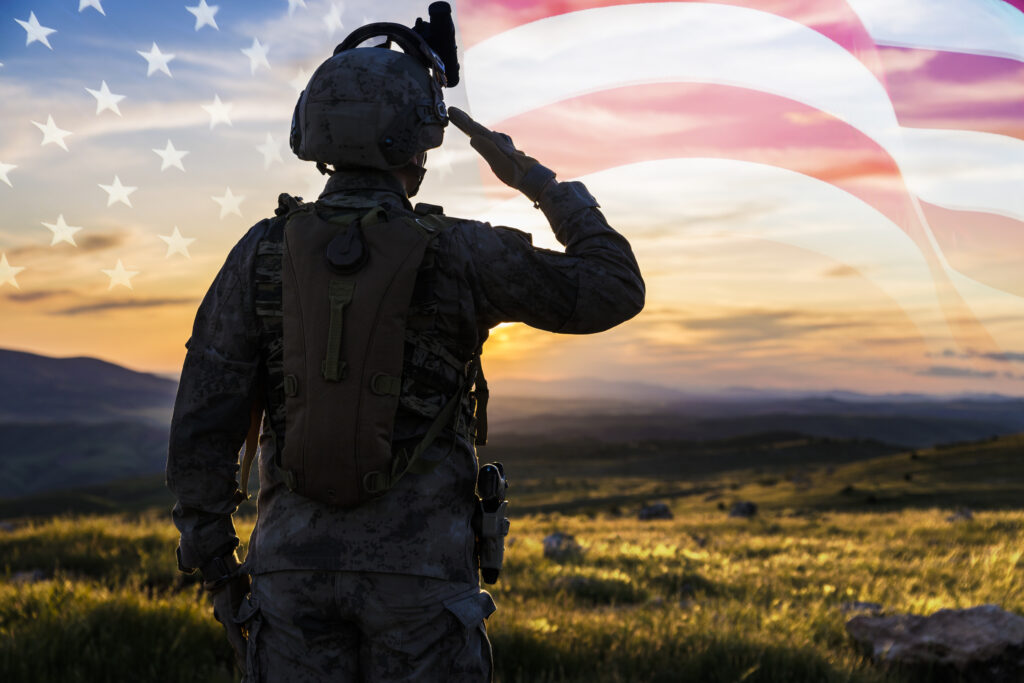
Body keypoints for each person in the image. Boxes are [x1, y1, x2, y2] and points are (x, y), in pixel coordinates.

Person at [166, 9, 644, 683]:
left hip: (290, 578)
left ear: (313, 131)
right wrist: (539, 182)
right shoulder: (460, 250)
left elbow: (202, 419)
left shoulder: (260, 251)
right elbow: (614, 287)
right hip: (422, 588)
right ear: (419, 139)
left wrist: (217, 563)